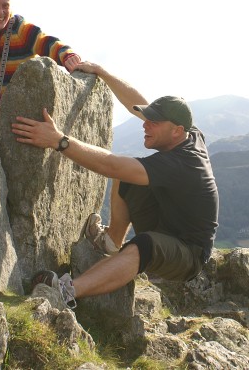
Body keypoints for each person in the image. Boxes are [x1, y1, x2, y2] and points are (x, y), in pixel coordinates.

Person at [11, 62, 219, 309]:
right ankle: (111, 241)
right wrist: (103, 72)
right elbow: (139, 104)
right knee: (129, 172)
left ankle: (67, 291)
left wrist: (59, 141)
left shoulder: (183, 163)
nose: (145, 124)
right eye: (148, 118)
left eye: (153, 122)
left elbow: (111, 167)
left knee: (143, 244)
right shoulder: (187, 133)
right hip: (165, 221)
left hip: (188, 253)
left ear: (176, 131)